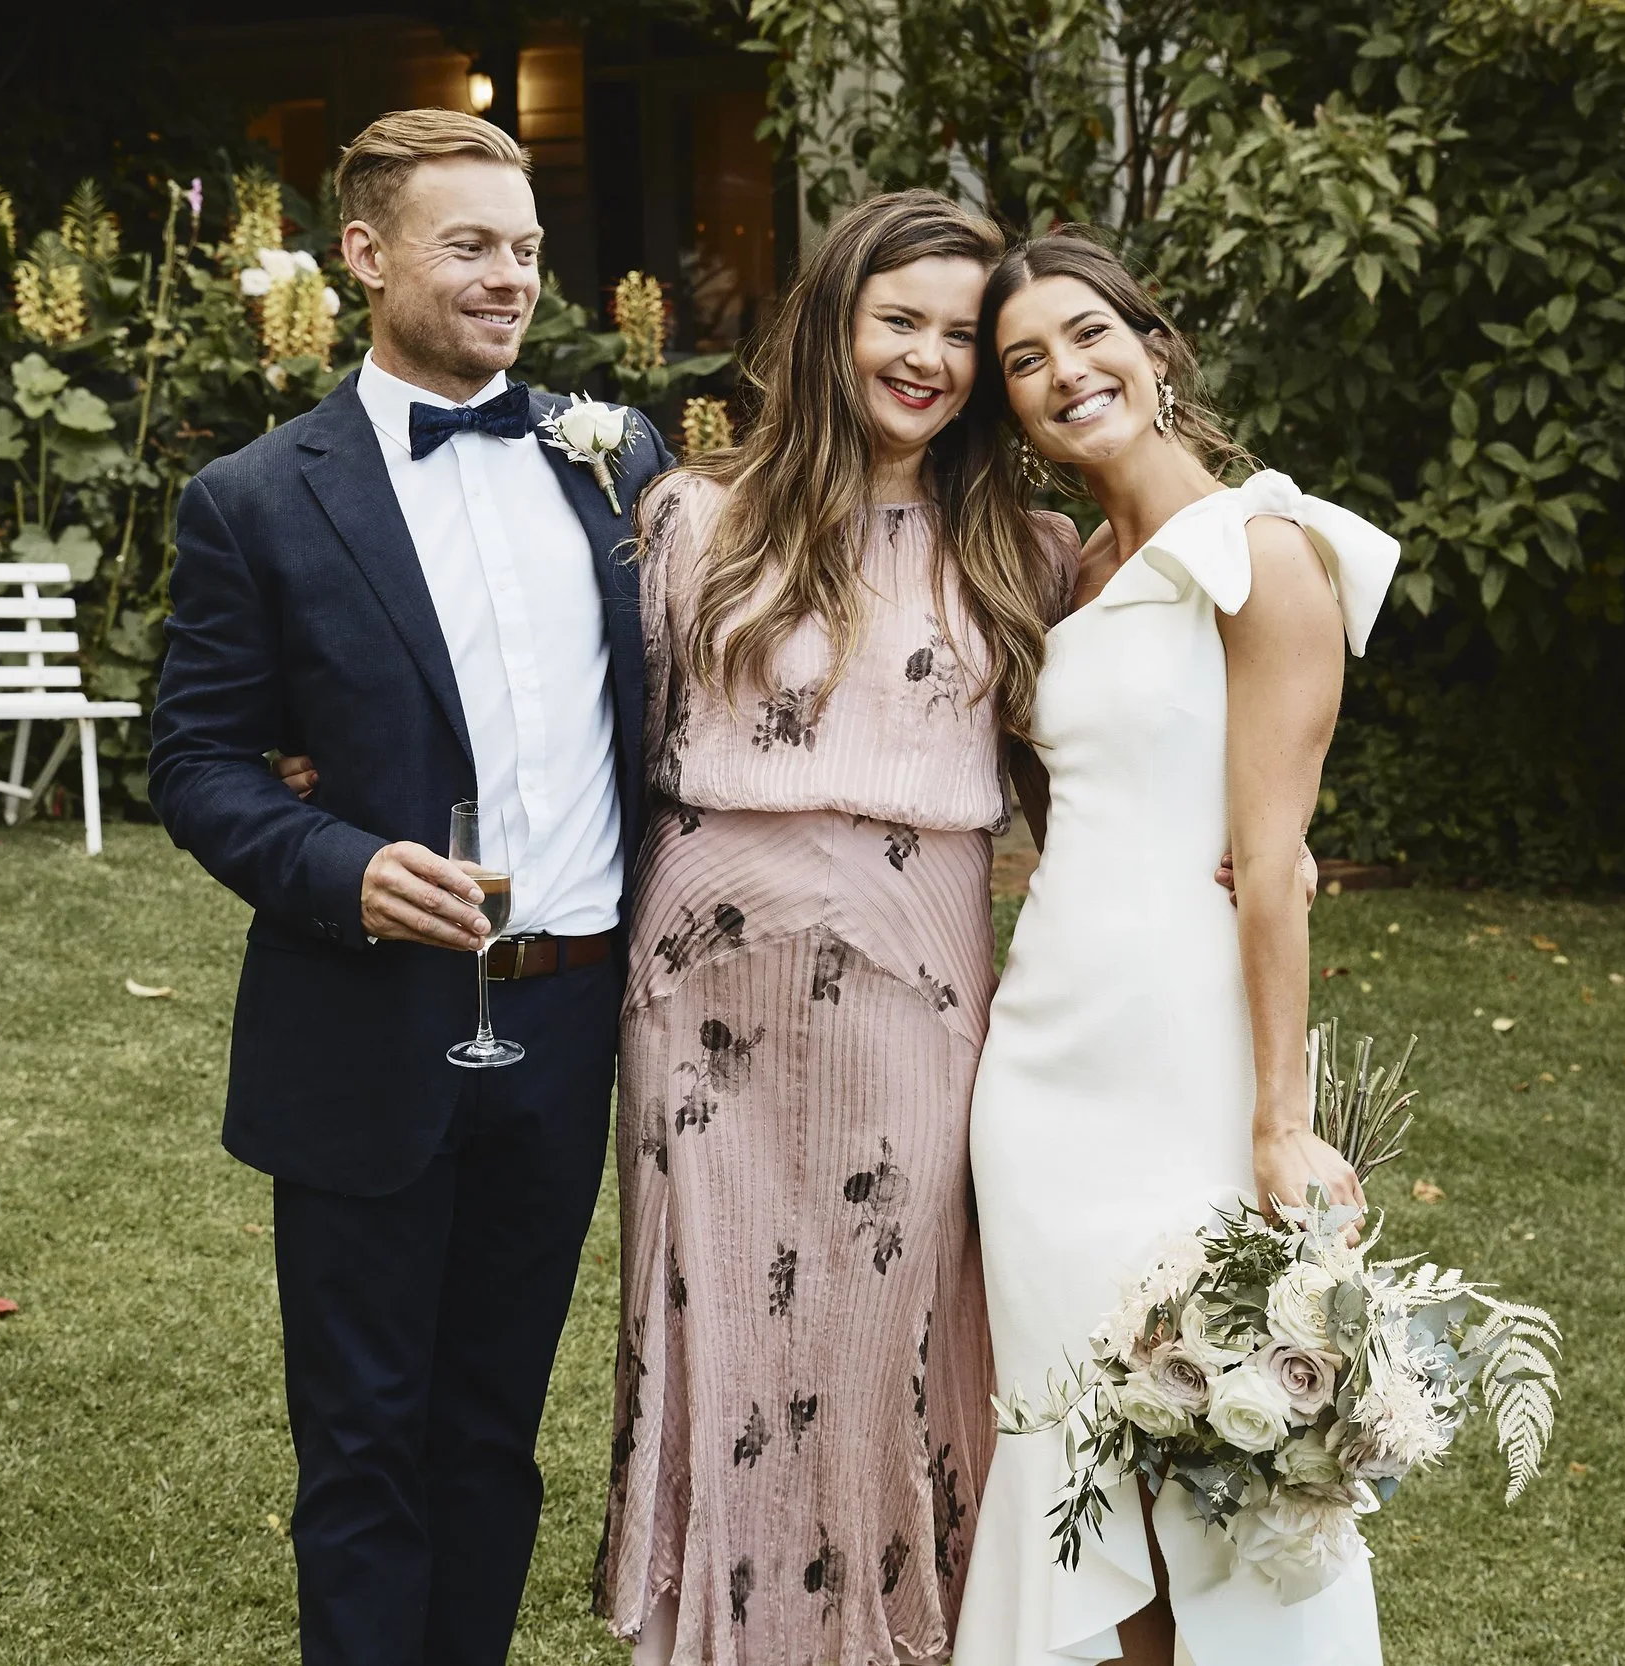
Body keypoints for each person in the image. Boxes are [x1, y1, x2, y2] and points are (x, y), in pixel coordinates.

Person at [147, 109, 672, 1666]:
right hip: (367, 1023)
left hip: (570, 1019)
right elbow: (198, 758)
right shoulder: (254, 497)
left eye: (523, 246)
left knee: (494, 1428)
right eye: (470, 246)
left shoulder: (616, 457)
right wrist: (344, 866)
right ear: (366, 257)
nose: (510, 276)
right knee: (366, 1441)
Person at [593, 190, 1080, 1666]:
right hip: (703, 991)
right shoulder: (695, 517)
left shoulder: (1026, 546)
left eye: (958, 334)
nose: (929, 356)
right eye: (901, 320)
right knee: (722, 1317)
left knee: (893, 1335)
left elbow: (1102, 761)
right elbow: (596, 738)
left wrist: (1243, 858)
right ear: (834, 323)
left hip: (917, 989)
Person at [951, 229, 1399, 1666]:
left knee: (1213, 1443)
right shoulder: (1070, 570)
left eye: (1088, 335)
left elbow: (1269, 861)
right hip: (1042, 1063)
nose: (1064, 372)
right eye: (1025, 360)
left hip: (1187, 1055)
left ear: (1156, 343)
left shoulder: (1265, 550)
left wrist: (1279, 1120)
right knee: (1084, 1460)